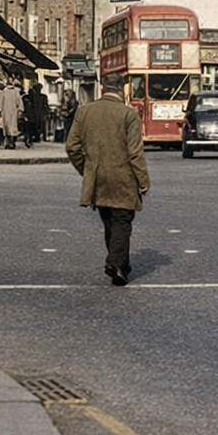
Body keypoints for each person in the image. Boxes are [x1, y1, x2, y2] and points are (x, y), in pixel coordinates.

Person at [65, 73, 150, 286]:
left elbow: (72, 147)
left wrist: (86, 168)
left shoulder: (84, 111)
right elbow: (135, 153)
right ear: (122, 90)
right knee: (122, 220)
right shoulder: (128, 114)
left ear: (103, 88)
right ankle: (117, 264)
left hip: (97, 177)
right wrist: (143, 180)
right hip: (123, 177)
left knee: (109, 221)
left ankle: (120, 263)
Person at [0, 79, 24, 150]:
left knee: (7, 127)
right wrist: (20, 110)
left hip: (6, 111)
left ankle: (9, 142)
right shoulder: (15, 92)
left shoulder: (4, 92)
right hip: (13, 111)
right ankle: (11, 142)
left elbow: (0, 102)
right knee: (12, 126)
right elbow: (19, 101)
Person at [24, 82, 50, 147]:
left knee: (33, 126)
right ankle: (35, 137)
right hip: (36, 114)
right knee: (34, 126)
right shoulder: (42, 97)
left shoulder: (41, 97)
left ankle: (33, 137)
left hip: (35, 114)